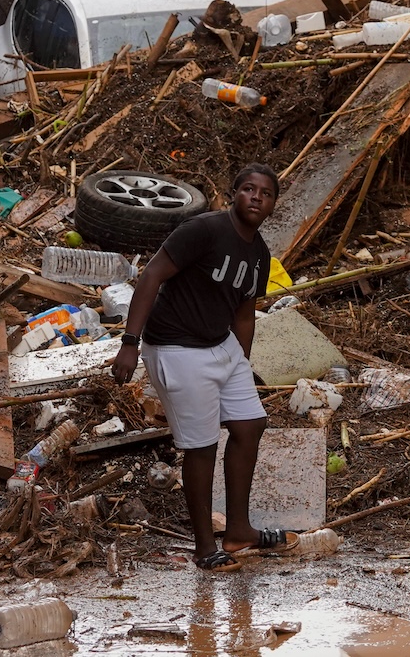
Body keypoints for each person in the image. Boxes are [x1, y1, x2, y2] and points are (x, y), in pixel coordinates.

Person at [110, 163, 296, 572]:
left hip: (223, 346)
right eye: (248, 189)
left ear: (272, 206)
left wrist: (241, 364)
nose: (256, 197)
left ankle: (239, 531)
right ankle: (203, 545)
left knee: (250, 426)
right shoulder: (204, 229)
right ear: (234, 193)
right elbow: (152, 275)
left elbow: (244, 312)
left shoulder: (260, 254)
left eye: (265, 193)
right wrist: (129, 342)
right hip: (177, 348)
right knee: (201, 446)